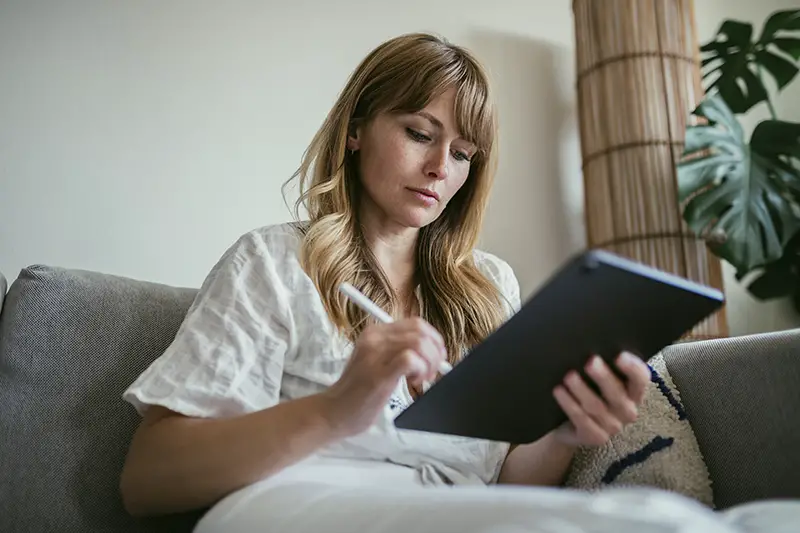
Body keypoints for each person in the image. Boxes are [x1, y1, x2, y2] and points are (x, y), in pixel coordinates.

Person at [118, 33, 761, 533]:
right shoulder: (274, 262)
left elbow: (509, 492)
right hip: (300, 502)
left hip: (452, 514)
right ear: (355, 130)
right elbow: (146, 481)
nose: (438, 167)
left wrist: (563, 430)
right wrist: (336, 409)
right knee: (654, 524)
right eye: (419, 133)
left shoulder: (488, 287)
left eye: (461, 154)